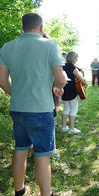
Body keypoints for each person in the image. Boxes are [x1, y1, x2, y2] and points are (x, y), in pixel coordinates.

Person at [0, 13, 66, 196]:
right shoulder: (50, 45)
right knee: (42, 155)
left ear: (23, 27)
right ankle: (46, 194)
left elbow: (2, 82)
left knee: (20, 150)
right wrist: (58, 88)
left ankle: (19, 191)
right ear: (41, 28)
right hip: (41, 109)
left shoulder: (7, 47)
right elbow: (60, 79)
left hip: (17, 108)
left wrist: (19, 94)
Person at [61, 51, 87, 134]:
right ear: (73, 58)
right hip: (72, 90)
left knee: (66, 108)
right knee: (74, 108)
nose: (77, 59)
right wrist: (86, 84)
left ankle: (64, 127)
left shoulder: (63, 66)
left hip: (64, 89)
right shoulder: (73, 67)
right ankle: (71, 128)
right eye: (76, 58)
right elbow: (81, 78)